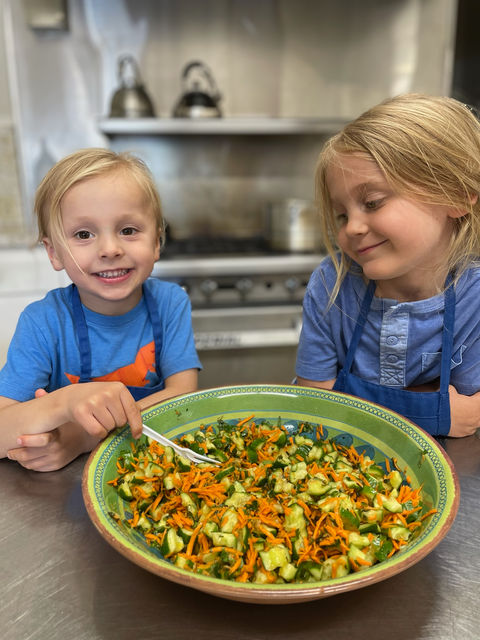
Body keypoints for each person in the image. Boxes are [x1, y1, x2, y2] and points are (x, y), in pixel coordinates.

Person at [0, 148, 201, 471]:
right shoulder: (43, 322)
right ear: (54, 253)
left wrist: (81, 436)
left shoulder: (170, 302)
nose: (110, 249)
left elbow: (183, 396)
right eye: (83, 234)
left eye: (128, 230)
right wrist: (63, 404)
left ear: (157, 242)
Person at [295, 93, 480, 438]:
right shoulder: (331, 284)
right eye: (342, 214)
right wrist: (432, 413)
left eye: (372, 202)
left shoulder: (474, 297)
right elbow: (314, 403)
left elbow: (471, 414)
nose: (352, 227)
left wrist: (347, 401)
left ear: (454, 194)